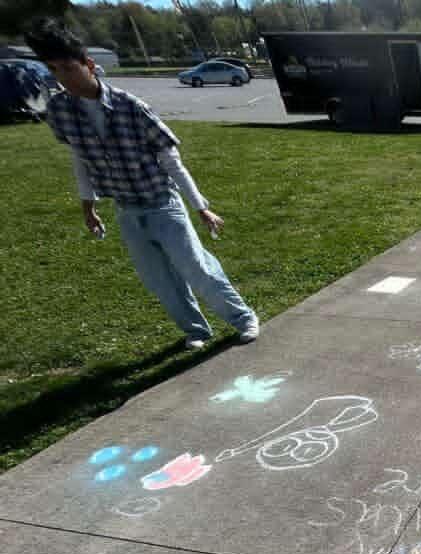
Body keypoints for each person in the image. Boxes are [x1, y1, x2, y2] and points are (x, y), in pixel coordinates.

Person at [25, 19, 258, 351]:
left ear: (88, 64)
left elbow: (171, 161)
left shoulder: (130, 106)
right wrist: (88, 205)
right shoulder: (61, 110)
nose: (64, 78)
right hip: (126, 209)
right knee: (158, 278)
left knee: (196, 267)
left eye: (68, 68)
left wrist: (200, 207)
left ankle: (243, 318)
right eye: (54, 70)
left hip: (162, 203)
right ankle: (196, 330)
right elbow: (80, 158)